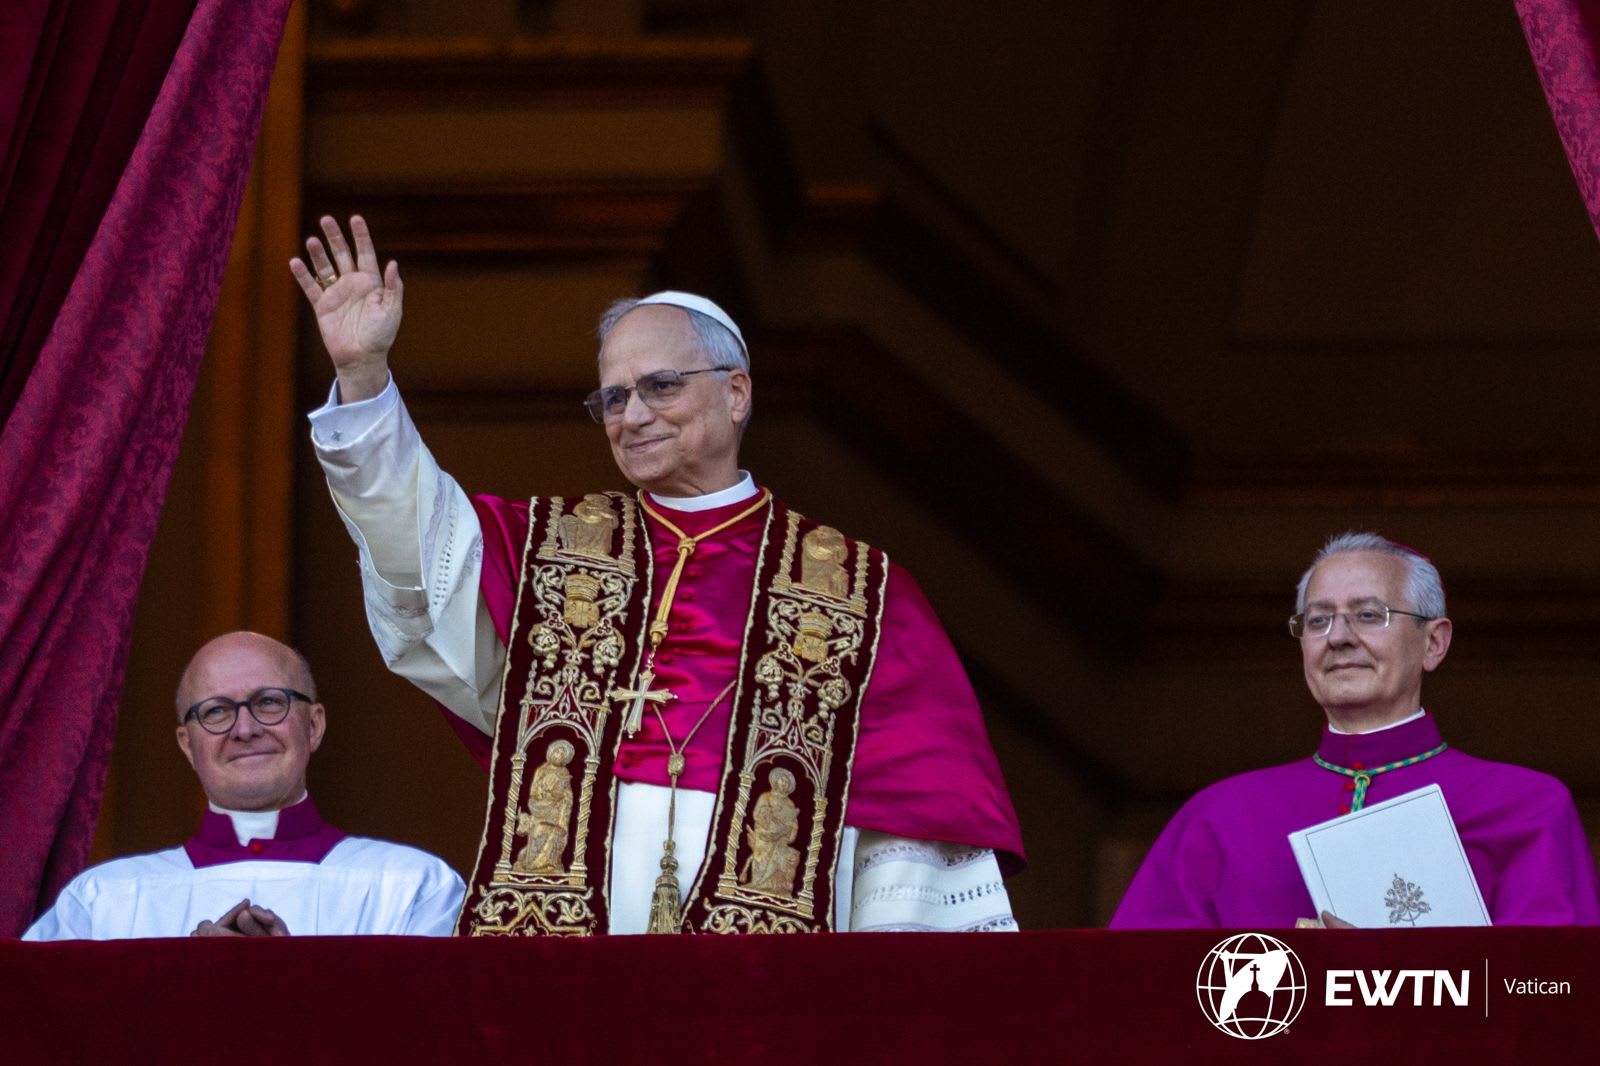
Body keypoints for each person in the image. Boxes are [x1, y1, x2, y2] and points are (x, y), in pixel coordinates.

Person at [290, 216, 1023, 936]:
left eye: (660, 386)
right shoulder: (553, 549)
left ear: (736, 393)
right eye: (612, 397)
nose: (631, 415)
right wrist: (364, 376)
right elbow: (417, 542)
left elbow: (916, 824)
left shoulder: (859, 590)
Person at [1111, 532, 1600, 928]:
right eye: (1319, 620)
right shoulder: (1218, 817)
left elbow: (1553, 993)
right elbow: (1135, 995)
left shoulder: (1526, 807)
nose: (1340, 638)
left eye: (1369, 615)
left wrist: (1391, 975)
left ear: (1434, 643)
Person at [24, 632, 465, 939]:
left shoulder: (413, 888)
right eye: (216, 711)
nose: (245, 728)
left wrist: (289, 982)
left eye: (269, 702)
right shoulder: (102, 902)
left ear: (313, 726)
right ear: (187, 744)